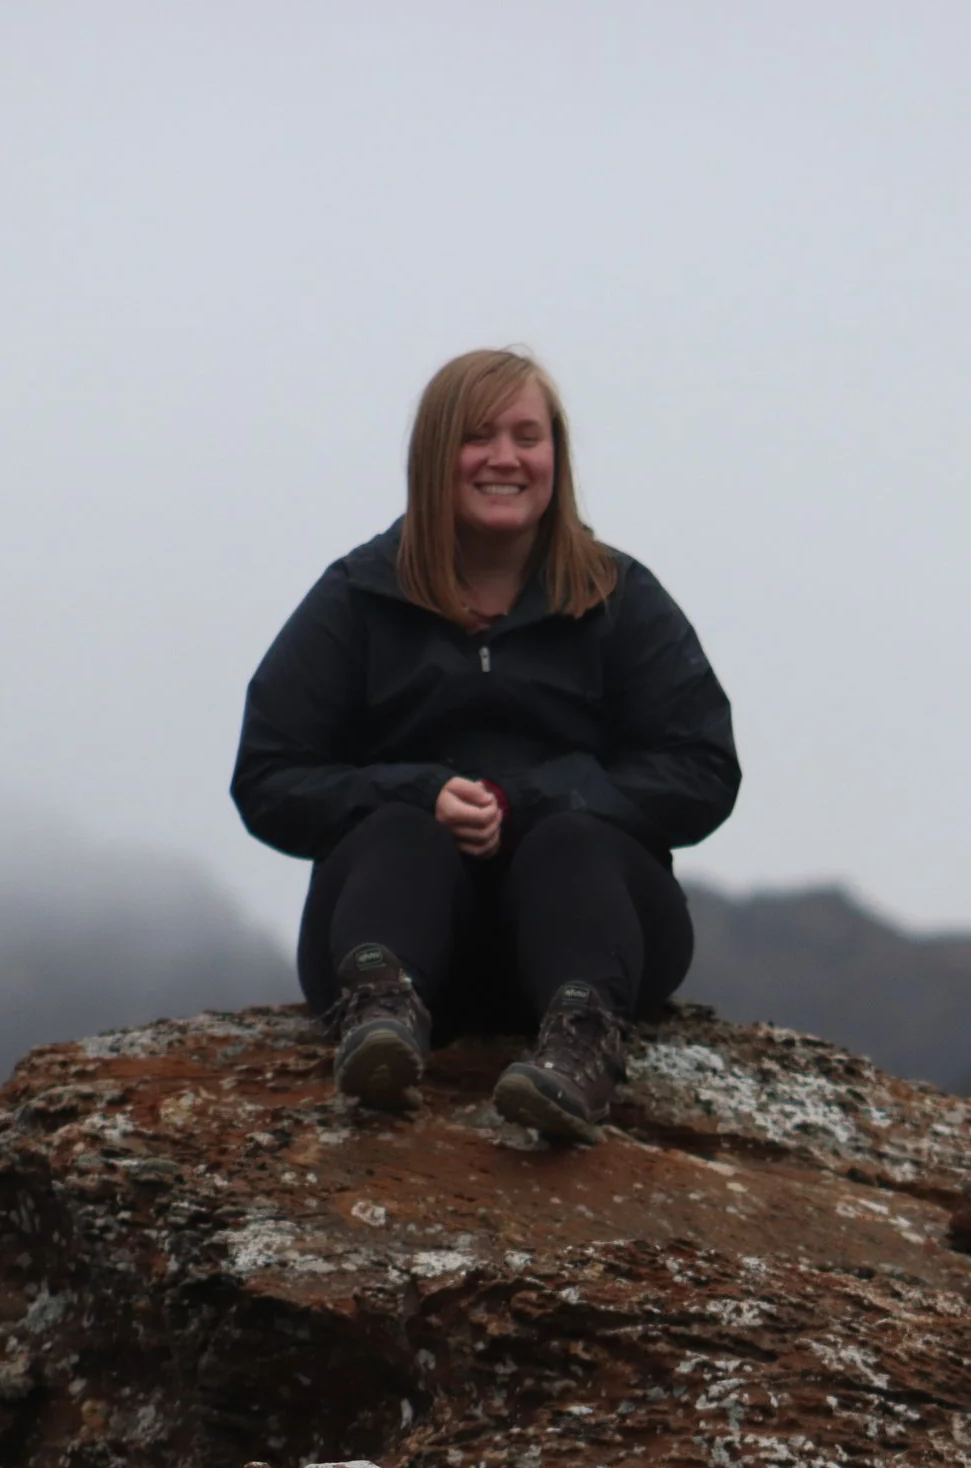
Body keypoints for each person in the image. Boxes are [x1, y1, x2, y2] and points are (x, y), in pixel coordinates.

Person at [230, 348, 739, 1142]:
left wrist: (539, 800)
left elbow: (703, 767)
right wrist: (415, 792)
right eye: (478, 436)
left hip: (589, 937)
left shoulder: (618, 596)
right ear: (436, 454)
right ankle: (384, 1024)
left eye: (527, 436)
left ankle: (579, 1051)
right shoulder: (358, 596)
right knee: (401, 828)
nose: (505, 458)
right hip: (402, 932)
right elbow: (267, 775)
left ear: (555, 458)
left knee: (574, 840)